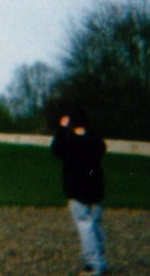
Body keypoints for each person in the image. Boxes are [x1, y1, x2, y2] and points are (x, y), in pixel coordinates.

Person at [51, 108, 108, 275]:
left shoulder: (70, 142)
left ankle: (93, 264)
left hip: (77, 189)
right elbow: (102, 147)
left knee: (85, 226)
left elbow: (56, 149)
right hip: (96, 188)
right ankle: (101, 261)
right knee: (96, 226)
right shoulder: (94, 140)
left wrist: (62, 128)